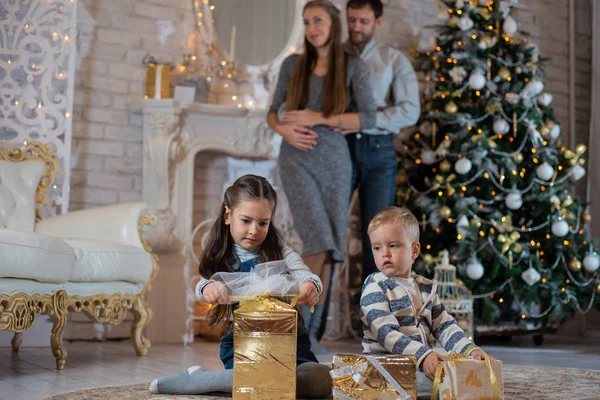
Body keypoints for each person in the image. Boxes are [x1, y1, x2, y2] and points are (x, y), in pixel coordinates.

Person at [149, 175, 331, 398]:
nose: (254, 230)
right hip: (245, 347)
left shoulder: (280, 249)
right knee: (262, 379)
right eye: (246, 221)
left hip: (291, 345)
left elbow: (304, 273)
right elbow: (201, 283)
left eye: (263, 223)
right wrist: (209, 288)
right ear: (228, 215)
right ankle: (200, 380)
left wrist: (311, 285)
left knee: (320, 379)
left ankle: (235, 383)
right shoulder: (222, 254)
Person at [267, 0, 376, 352]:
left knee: (328, 247)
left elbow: (369, 118)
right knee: (316, 237)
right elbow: (272, 113)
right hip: (295, 158)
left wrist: (320, 118)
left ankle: (306, 336)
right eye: (307, 21)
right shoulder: (292, 64)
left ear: (333, 24)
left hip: (334, 162)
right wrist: (284, 131)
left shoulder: (351, 66)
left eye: (318, 20)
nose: (312, 27)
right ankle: (298, 333)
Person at [360, 207, 490, 395]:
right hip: (384, 366)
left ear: (414, 250)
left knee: (462, 379)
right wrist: (422, 354)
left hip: (416, 365)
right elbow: (385, 333)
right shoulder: (375, 286)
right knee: (446, 383)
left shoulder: (425, 289)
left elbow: (444, 325)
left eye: (393, 246)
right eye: (377, 247)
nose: (385, 253)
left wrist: (468, 349)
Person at [343, 0, 420, 283]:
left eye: (363, 22)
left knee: (380, 236)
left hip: (380, 151)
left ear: (378, 22)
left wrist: (367, 120)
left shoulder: (393, 59)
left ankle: (373, 317)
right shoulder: (335, 55)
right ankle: (322, 319)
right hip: (339, 148)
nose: (356, 27)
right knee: (329, 232)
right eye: (352, 20)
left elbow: (410, 110)